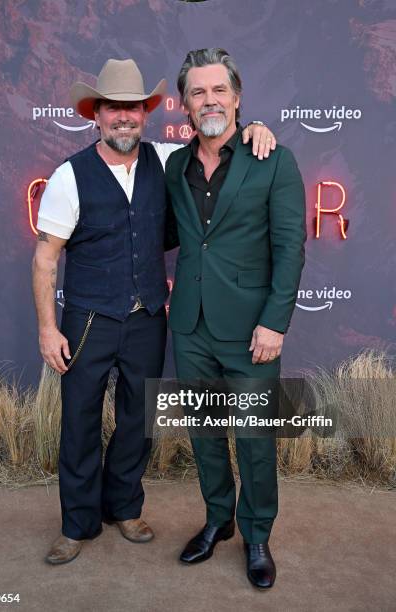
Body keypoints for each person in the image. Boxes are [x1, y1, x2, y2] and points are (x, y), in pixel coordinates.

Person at [32, 57, 277, 565]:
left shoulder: (167, 160)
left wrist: (252, 126)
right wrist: (47, 328)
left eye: (133, 109)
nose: (124, 118)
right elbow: (45, 258)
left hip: (148, 317)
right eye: (113, 109)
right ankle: (77, 524)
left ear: (147, 114)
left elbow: (216, 144)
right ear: (95, 114)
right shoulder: (68, 176)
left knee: (137, 420)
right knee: (79, 422)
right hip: (88, 320)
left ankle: (124, 506)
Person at [165, 48, 306, 589]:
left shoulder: (274, 159)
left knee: (254, 438)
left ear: (237, 97)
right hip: (190, 326)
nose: (209, 100)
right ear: (184, 104)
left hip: (251, 330)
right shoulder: (175, 165)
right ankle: (218, 520)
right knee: (203, 434)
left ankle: (257, 535)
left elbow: (290, 247)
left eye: (218, 90)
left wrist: (275, 322)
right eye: (197, 92)